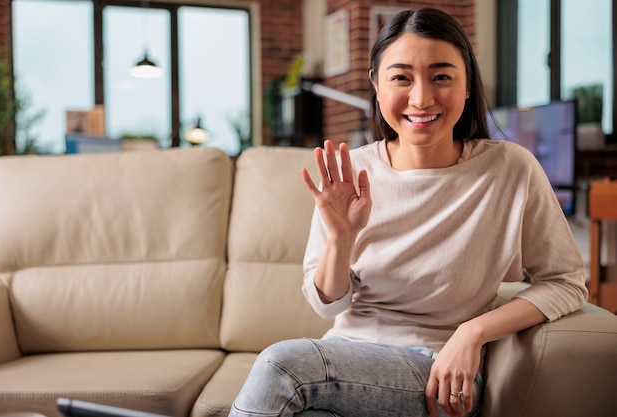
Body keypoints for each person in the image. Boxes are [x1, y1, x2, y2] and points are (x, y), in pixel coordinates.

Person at [228, 7, 587, 417]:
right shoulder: (352, 171)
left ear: (467, 84)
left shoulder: (509, 169)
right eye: (401, 77)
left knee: (281, 366)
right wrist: (341, 239)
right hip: (344, 354)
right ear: (377, 87)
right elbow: (327, 305)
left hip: (437, 366)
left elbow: (566, 282)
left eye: (442, 76)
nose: (421, 98)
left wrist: (473, 332)